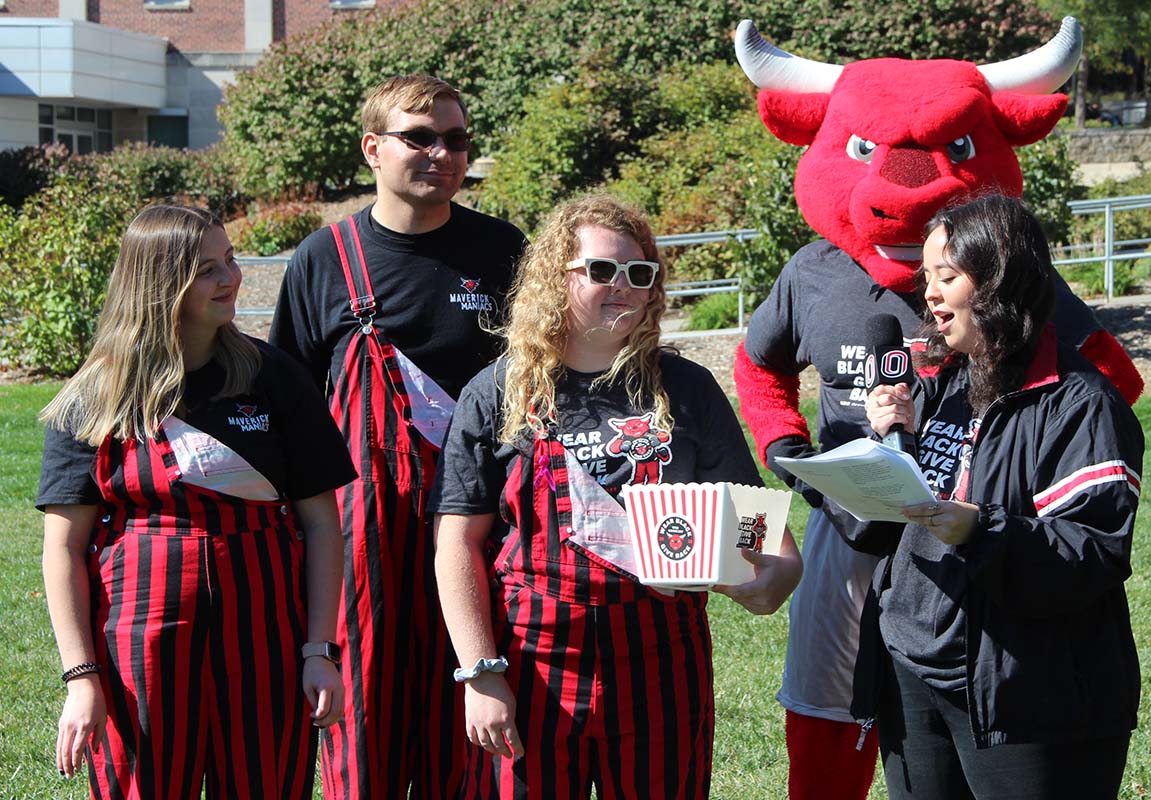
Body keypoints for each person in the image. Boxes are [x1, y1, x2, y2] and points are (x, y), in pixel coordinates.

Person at [432, 193, 804, 799]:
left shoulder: (687, 388)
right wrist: (480, 672)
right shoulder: (497, 390)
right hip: (533, 660)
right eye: (602, 271)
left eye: (640, 273)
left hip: (662, 659)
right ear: (556, 278)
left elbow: (761, 536)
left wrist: (772, 578)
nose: (624, 287)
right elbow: (458, 543)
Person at [38, 204, 355, 799]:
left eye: (231, 259)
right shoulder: (95, 394)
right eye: (208, 269)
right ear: (160, 285)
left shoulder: (275, 378)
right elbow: (64, 547)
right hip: (139, 638)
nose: (232, 278)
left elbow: (320, 524)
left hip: (268, 633)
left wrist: (319, 651)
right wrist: (81, 678)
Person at [270, 74, 527, 799]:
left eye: (455, 139)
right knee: (364, 736)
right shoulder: (325, 258)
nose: (441, 153)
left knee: (474, 734)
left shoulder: (503, 251)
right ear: (373, 149)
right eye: (420, 137)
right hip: (363, 544)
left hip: (484, 531)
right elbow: (291, 413)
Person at [853, 194, 1143, 799]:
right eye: (925, 277)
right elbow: (891, 525)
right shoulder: (944, 386)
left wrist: (976, 528)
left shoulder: (1081, 404)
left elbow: (1091, 552)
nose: (929, 295)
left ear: (999, 280)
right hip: (912, 668)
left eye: (948, 277)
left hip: (1025, 691)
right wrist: (882, 451)